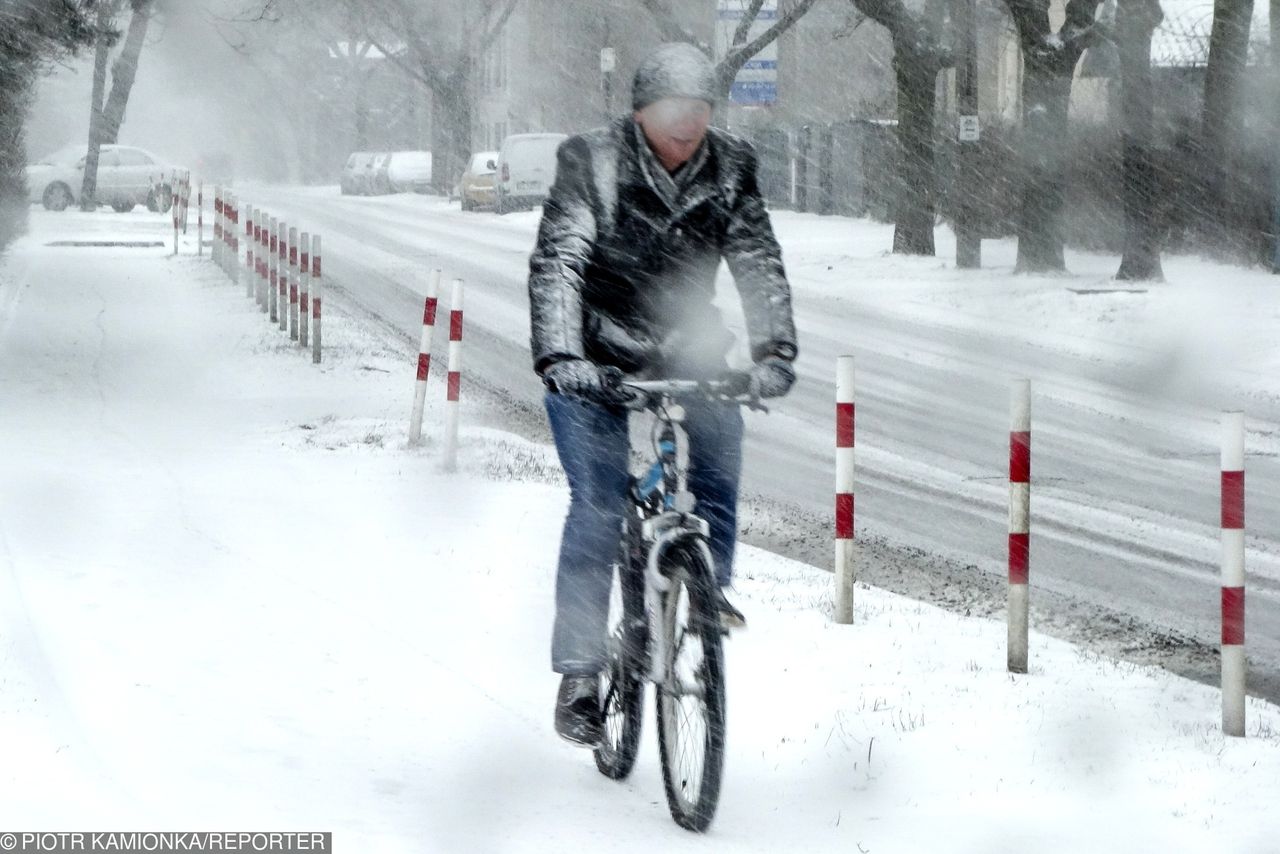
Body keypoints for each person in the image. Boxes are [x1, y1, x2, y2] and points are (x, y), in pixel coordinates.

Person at [526, 42, 799, 746]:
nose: (689, 123)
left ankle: (708, 591)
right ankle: (582, 671)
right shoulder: (592, 161)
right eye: (675, 109)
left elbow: (757, 260)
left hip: (686, 345)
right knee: (599, 503)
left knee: (719, 449)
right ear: (641, 111)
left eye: (702, 108)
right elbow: (560, 260)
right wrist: (562, 355)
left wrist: (773, 352)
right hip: (593, 353)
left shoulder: (731, 166)